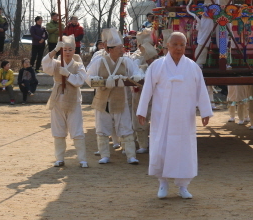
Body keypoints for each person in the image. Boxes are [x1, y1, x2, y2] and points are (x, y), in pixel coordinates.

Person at [137, 32, 213, 199]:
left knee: (184, 150)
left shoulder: (192, 67)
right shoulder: (157, 66)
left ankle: (183, 186)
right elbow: (147, 89)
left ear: (186, 47)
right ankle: (162, 182)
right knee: (161, 148)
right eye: (175, 44)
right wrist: (142, 110)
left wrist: (205, 111)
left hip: (185, 116)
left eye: (182, 45)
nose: (178, 48)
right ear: (167, 46)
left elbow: (201, 90)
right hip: (162, 115)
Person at [86, 28, 144, 165]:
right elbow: (88, 78)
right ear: (110, 49)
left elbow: (137, 73)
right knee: (103, 127)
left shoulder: (126, 61)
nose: (122, 50)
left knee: (125, 126)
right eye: (119, 47)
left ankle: (131, 155)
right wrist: (104, 82)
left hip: (120, 99)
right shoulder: (99, 61)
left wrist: (135, 77)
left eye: (122, 47)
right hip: (103, 100)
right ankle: (105, 155)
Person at [42, 35, 89, 168]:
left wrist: (68, 74)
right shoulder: (56, 64)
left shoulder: (78, 65)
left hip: (74, 101)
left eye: (70, 49)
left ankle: (82, 159)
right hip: (58, 100)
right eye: (65, 50)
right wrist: (54, 50)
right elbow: (45, 66)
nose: (67, 52)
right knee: (58, 130)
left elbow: (80, 81)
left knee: (77, 130)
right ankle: (59, 158)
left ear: (74, 51)